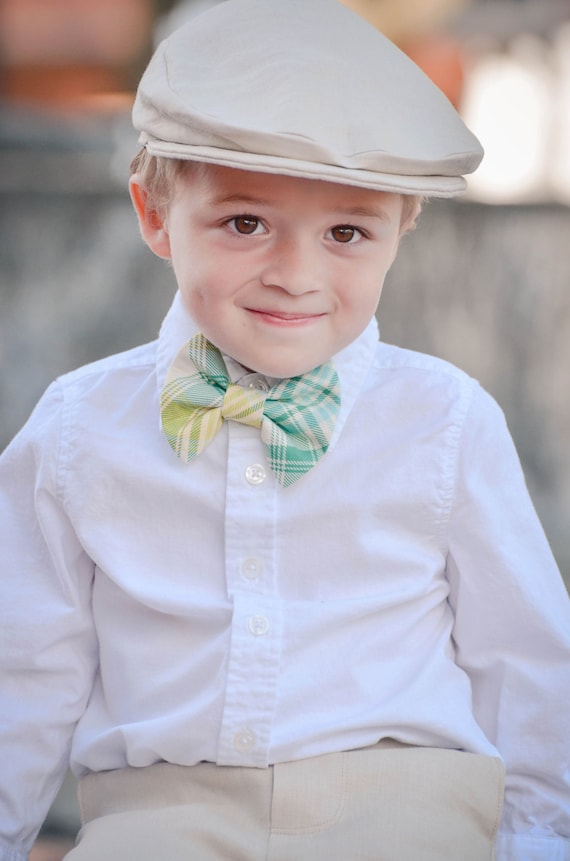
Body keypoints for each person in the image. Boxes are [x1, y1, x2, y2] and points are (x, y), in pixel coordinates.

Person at [1, 1, 569, 859]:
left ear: (400, 231)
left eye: (346, 231)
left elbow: (525, 664)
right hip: (161, 816)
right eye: (245, 222)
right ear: (156, 216)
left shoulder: (444, 420)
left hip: (405, 809)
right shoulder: (82, 429)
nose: (295, 273)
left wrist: (538, 841)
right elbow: (23, 672)